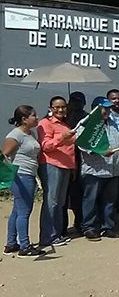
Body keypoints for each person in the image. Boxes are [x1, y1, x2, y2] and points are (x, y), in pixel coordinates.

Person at [3, 106, 46, 257]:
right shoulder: (15, 135)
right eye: (33, 115)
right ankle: (25, 246)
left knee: (17, 210)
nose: (37, 117)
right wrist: (10, 175)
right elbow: (4, 156)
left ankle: (11, 243)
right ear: (24, 119)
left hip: (29, 174)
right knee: (24, 211)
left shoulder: (30, 133)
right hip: (21, 176)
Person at [77, 97, 119, 240]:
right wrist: (101, 151)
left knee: (110, 200)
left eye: (109, 108)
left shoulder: (113, 123)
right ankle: (89, 227)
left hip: (112, 170)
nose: (107, 111)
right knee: (90, 199)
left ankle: (107, 226)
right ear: (96, 109)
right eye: (104, 108)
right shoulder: (85, 124)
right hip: (94, 170)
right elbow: (82, 145)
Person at [38, 96, 77, 247]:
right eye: (57, 107)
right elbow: (46, 146)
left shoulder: (66, 125)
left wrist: (73, 167)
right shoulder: (45, 123)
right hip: (51, 165)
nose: (60, 109)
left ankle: (57, 234)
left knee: (60, 202)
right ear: (51, 108)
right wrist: (62, 137)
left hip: (66, 166)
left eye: (63, 107)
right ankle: (47, 237)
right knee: (51, 201)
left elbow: (70, 149)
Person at [63, 91, 88, 237]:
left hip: (81, 160)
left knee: (78, 195)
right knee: (63, 198)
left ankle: (80, 223)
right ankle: (62, 227)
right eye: (74, 101)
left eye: (80, 101)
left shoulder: (86, 117)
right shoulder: (63, 117)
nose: (77, 104)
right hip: (65, 160)